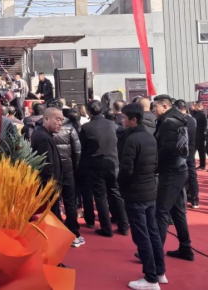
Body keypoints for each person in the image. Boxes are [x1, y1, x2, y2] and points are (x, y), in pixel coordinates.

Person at [118, 104, 167, 290]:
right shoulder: (149, 136)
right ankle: (160, 272)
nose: (122, 120)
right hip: (149, 191)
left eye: (124, 117)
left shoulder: (132, 139)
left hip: (136, 193)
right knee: (152, 232)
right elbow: (155, 165)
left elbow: (126, 169)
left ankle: (151, 278)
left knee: (142, 236)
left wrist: (121, 185)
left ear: (134, 119)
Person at [152, 95, 193, 261]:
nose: (153, 110)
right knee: (177, 212)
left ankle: (155, 252)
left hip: (172, 171)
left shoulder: (169, 122)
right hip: (179, 169)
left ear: (164, 106)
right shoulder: (177, 120)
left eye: (155, 107)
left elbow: (167, 150)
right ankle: (185, 248)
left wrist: (155, 166)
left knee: (161, 211)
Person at [80, 101, 128, 237]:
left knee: (100, 197)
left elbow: (82, 147)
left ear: (89, 111)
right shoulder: (112, 124)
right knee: (116, 193)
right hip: (113, 163)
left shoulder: (86, 127)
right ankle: (124, 225)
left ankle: (106, 228)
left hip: (96, 165)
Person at [47, 100, 84, 247]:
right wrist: (74, 167)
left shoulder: (43, 128)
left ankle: (57, 233)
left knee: (54, 202)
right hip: (68, 169)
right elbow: (77, 151)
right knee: (70, 202)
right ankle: (73, 232)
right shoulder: (69, 128)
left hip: (54, 171)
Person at [174, 100, 199, 209]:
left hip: (181, 151)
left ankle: (182, 201)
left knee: (181, 176)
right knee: (192, 175)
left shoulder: (178, 120)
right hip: (191, 149)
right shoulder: (192, 119)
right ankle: (195, 200)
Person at [192, 101, 208, 170]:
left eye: (195, 106)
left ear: (200, 106)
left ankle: (202, 165)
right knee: (194, 149)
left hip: (200, 134)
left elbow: (194, 120)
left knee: (201, 150)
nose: (194, 107)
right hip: (197, 134)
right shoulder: (198, 113)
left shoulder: (202, 114)